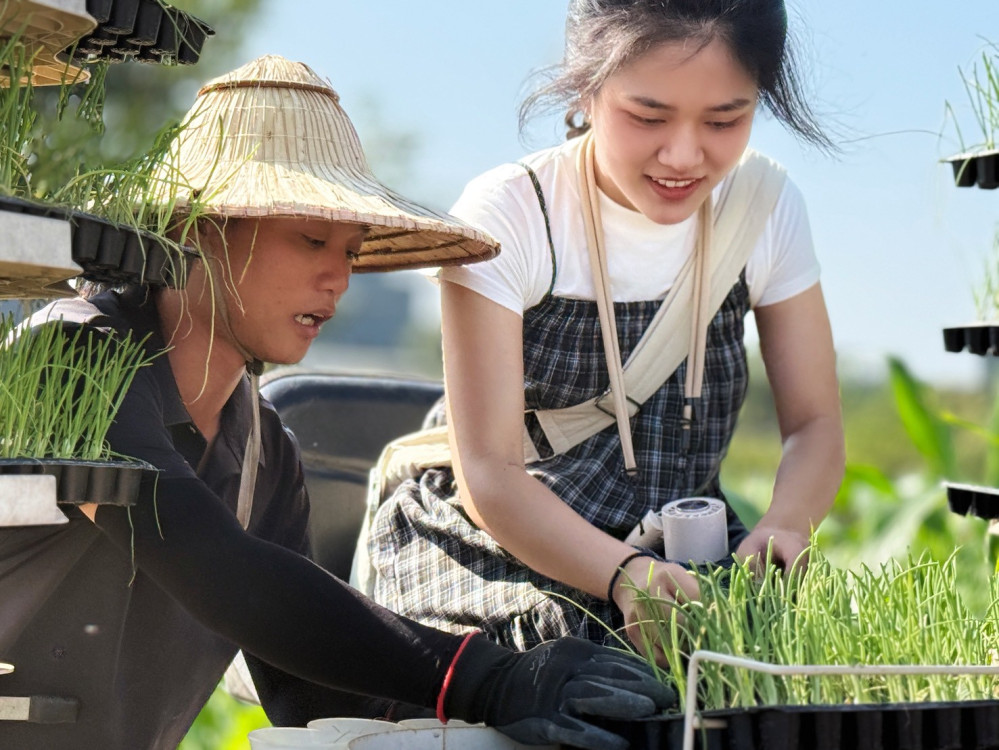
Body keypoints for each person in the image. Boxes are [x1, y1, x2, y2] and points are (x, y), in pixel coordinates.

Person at [0, 55, 675, 750]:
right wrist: (485, 678)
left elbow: (308, 690)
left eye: (351, 252)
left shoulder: (265, 451)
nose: (337, 279)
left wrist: (519, 687)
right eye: (312, 240)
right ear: (198, 231)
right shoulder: (69, 362)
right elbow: (210, 561)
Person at [368, 0, 846, 657]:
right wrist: (622, 577)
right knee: (577, 662)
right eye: (647, 116)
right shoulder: (512, 212)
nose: (683, 154)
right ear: (586, 89)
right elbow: (489, 474)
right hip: (499, 539)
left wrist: (785, 526)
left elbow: (815, 424)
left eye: (724, 118)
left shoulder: (762, 207)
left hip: (677, 551)